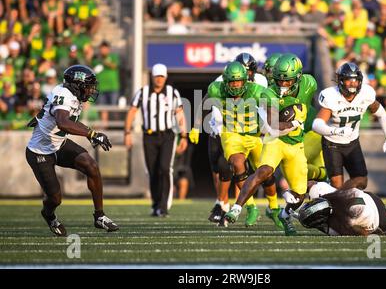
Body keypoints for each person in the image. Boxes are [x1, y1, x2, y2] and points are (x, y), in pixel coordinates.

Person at [225, 53, 315, 236]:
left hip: (296, 145)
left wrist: (301, 118)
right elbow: (274, 125)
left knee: (299, 194)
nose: (282, 84)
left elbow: (307, 105)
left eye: (287, 81)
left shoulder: (309, 83)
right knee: (263, 171)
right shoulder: (268, 93)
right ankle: (236, 208)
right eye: (279, 80)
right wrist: (293, 123)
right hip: (276, 140)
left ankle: (284, 214)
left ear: (297, 77)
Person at [25, 65, 118, 236]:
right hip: (40, 152)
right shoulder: (63, 94)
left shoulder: (73, 95)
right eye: (88, 86)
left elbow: (71, 122)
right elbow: (63, 122)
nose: (91, 91)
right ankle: (49, 215)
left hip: (58, 144)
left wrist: (92, 132)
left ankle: (99, 216)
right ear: (76, 85)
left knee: (92, 166)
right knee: (55, 198)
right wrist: (91, 134)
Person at [191, 61, 281, 228]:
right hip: (232, 134)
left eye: (239, 81)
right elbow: (204, 105)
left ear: (245, 81)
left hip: (255, 135)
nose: (235, 85)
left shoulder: (257, 90)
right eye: (232, 82)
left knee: (267, 173)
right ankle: (251, 206)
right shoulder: (216, 89)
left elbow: (274, 105)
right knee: (237, 164)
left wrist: (271, 125)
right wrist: (196, 126)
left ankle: (274, 207)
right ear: (225, 82)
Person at [312, 62, 386, 190]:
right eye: (348, 80)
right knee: (336, 184)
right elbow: (316, 124)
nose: (352, 83)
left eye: (355, 80)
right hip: (332, 143)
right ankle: (325, 193)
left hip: (352, 142)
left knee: (361, 181)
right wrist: (336, 131)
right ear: (340, 81)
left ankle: (336, 194)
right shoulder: (331, 96)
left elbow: (381, 113)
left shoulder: (366, 94)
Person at [124, 63, 188, 217]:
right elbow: (132, 111)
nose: (159, 79)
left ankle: (164, 206)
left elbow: (180, 114)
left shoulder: (172, 92)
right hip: (149, 135)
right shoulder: (143, 92)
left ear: (165, 77)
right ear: (152, 77)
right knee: (152, 171)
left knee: (165, 168)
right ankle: (156, 203)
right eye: (157, 76)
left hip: (167, 135)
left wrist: (184, 136)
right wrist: (127, 132)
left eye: (162, 76)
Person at [296, 181, 386, 236]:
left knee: (383, 231)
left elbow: (363, 233)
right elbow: (310, 183)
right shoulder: (321, 190)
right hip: (371, 197)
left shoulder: (337, 227)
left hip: (372, 215)